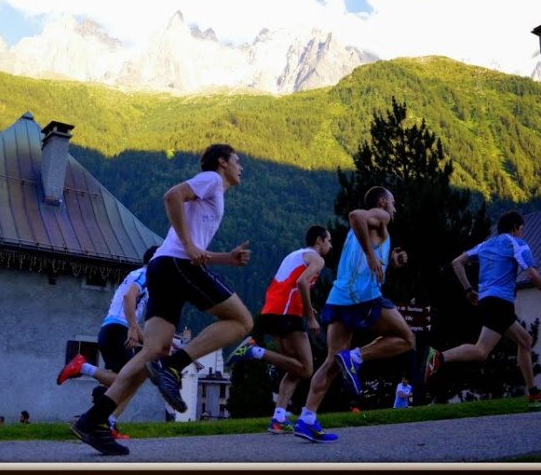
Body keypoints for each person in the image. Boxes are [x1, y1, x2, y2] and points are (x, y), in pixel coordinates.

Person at [71, 143, 251, 456]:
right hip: (176, 265)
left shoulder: (213, 194)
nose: (241, 167)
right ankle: (173, 367)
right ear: (222, 162)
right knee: (242, 321)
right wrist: (188, 245)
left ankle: (93, 421)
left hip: (163, 268)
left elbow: (194, 249)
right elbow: (171, 196)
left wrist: (226, 258)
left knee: (152, 351)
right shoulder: (211, 179)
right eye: (237, 161)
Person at [293, 186, 413, 443]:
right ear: (382, 203)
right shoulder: (381, 216)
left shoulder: (369, 230)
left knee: (332, 362)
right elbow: (355, 215)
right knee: (406, 339)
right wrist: (371, 255)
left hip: (339, 297)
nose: (394, 207)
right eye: (392, 202)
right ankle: (356, 357)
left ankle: (306, 419)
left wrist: (390, 263)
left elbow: (368, 257)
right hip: (363, 296)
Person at [424, 210, 541, 409]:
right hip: (500, 302)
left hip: (487, 301)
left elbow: (457, 263)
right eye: (521, 229)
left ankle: (534, 394)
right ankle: (438, 357)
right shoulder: (517, 243)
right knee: (482, 351)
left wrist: (468, 290)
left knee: (525, 341)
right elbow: (532, 275)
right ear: (515, 228)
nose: (522, 233)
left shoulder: (485, 245)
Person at [224, 225, 332, 434]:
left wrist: (306, 306)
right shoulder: (317, 259)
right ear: (319, 240)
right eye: (329, 240)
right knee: (306, 369)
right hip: (286, 314)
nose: (331, 245)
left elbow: (289, 284)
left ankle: (278, 418)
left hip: (272, 311)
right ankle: (255, 351)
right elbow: (302, 282)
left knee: (294, 368)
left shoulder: (295, 255)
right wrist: (310, 318)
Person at [56, 245, 158, 440]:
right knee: (128, 382)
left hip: (112, 330)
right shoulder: (145, 275)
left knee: (127, 382)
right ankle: (82, 367)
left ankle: (107, 422)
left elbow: (130, 314)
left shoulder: (138, 276)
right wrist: (133, 328)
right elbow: (128, 298)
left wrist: (148, 342)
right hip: (117, 331)